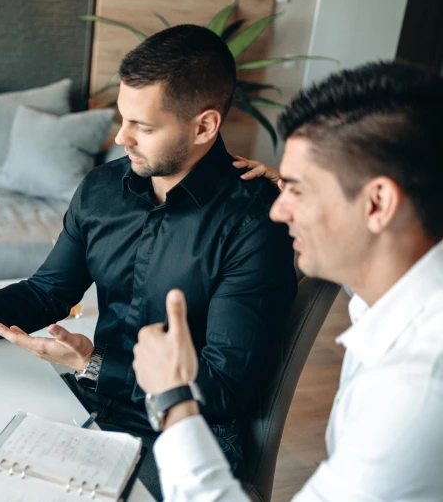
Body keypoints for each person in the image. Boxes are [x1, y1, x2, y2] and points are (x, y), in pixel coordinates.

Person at [0, 24, 297, 499]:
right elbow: (45, 293)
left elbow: (227, 387)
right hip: (91, 399)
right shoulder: (101, 191)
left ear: (204, 126)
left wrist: (92, 363)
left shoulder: (256, 222)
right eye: (123, 118)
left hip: (188, 435)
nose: (121, 137)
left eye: (144, 127)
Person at [132, 61, 443, 501]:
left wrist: (173, 399)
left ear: (377, 204)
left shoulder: (415, 391)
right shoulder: (409, 288)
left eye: (298, 190)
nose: (278, 210)